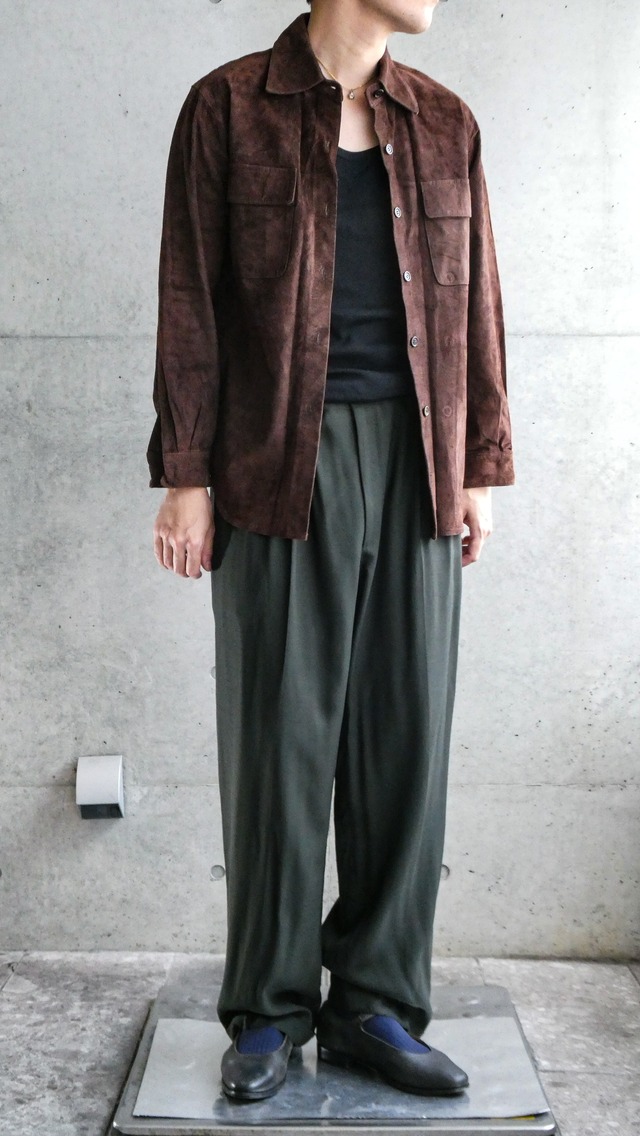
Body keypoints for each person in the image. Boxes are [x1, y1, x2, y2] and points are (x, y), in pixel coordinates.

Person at [148, 0, 514, 1105]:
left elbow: (480, 299)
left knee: (406, 741)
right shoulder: (227, 108)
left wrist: (479, 465)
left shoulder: (446, 120)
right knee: (278, 742)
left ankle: (375, 1004)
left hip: (418, 458)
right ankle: (267, 1008)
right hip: (276, 460)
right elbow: (189, 297)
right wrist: (186, 473)